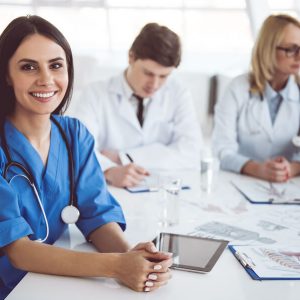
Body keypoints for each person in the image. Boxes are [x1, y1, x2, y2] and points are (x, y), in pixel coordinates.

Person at [0, 15, 172, 299]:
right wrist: (118, 266)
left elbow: (96, 213)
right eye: (28, 67)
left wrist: (132, 256)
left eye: (56, 65)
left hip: (49, 281)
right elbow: (18, 251)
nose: (46, 79)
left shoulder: (73, 135)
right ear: (6, 74)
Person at [71, 23, 202, 188]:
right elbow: (79, 150)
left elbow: (192, 152)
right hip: (111, 189)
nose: (154, 84)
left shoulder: (178, 93)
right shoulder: (95, 94)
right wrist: (108, 171)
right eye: (148, 73)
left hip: (161, 192)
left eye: (163, 76)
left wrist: (123, 157)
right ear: (131, 57)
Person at [212, 14, 300, 182]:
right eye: (291, 49)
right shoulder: (237, 89)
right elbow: (222, 149)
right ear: (268, 48)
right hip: (240, 183)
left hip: (289, 187)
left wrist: (291, 169)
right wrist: (257, 169)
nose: (299, 56)